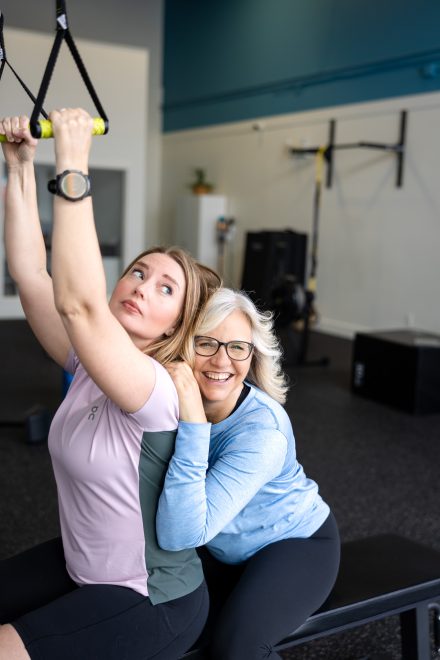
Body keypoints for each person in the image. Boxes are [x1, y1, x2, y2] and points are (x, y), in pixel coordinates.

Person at [0, 109, 220, 660]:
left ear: (177, 324)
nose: (143, 286)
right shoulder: (88, 365)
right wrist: (21, 169)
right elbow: (33, 276)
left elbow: (78, 304)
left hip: (150, 600)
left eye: (166, 289)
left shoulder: (156, 389)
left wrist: (72, 164)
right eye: (139, 272)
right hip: (82, 568)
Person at [156, 288, 340, 660]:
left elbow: (182, 533)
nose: (222, 360)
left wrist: (192, 418)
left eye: (238, 347)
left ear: (252, 354)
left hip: (293, 543)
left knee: (236, 648)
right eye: (206, 343)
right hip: (221, 547)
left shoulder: (263, 433)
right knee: (159, 630)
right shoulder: (163, 394)